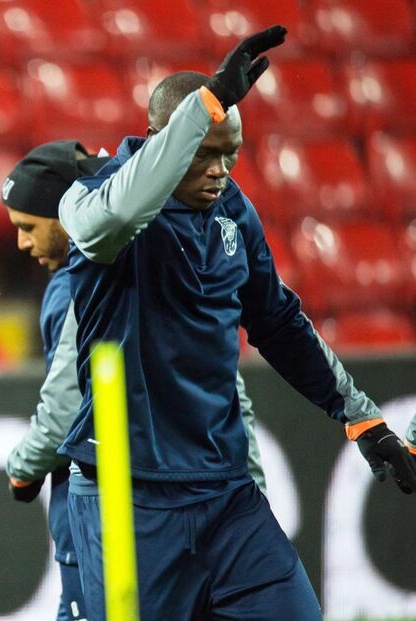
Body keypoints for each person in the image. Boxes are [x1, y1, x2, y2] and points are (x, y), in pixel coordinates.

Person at [57, 26, 416, 620]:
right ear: (161, 140)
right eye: (203, 152)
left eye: (230, 152)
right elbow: (108, 221)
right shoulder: (91, 197)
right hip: (129, 496)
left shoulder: (233, 211)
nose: (220, 170)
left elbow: (277, 320)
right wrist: (204, 107)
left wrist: (360, 417)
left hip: (226, 493)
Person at [2, 141, 269, 621]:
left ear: (66, 212)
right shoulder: (161, 262)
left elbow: (68, 401)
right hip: (186, 494)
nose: (22, 243)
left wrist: (22, 467)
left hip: (119, 501)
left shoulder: (79, 285)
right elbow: (227, 383)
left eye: (28, 227)